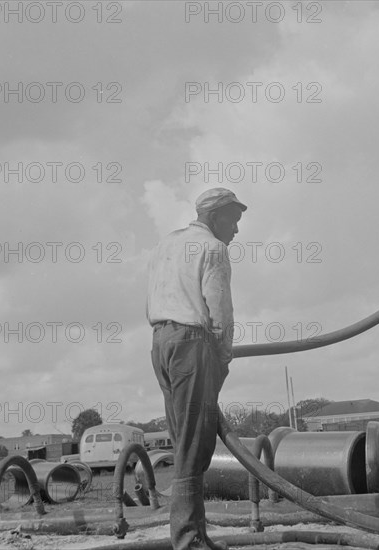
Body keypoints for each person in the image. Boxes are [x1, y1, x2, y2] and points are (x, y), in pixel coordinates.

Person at [147, 188, 247, 550]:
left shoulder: (166, 244)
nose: (236, 230)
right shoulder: (213, 249)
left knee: (185, 441)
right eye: (233, 220)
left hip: (161, 342)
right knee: (194, 446)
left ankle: (196, 535)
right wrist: (222, 356)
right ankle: (188, 541)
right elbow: (219, 310)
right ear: (216, 216)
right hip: (192, 343)